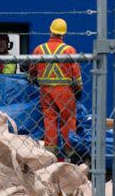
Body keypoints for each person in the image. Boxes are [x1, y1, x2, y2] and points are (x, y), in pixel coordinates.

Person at [29, 18, 82, 158]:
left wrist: (35, 79)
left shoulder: (39, 49)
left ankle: (50, 153)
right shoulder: (69, 50)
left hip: (45, 90)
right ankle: (70, 153)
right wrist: (78, 90)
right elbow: (76, 75)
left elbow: (32, 72)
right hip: (65, 91)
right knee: (68, 119)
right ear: (64, 33)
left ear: (50, 30)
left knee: (49, 119)